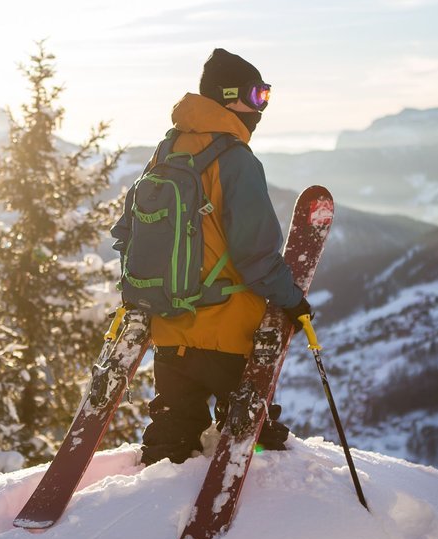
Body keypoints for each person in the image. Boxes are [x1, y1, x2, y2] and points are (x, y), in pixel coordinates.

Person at [112, 48, 312, 465]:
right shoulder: (236, 160)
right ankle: (276, 499)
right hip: (229, 334)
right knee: (251, 439)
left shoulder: (167, 149)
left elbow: (126, 231)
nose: (261, 107)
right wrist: (292, 301)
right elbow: (257, 253)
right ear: (229, 97)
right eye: (257, 95)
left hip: (170, 331)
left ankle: (152, 496)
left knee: (171, 435)